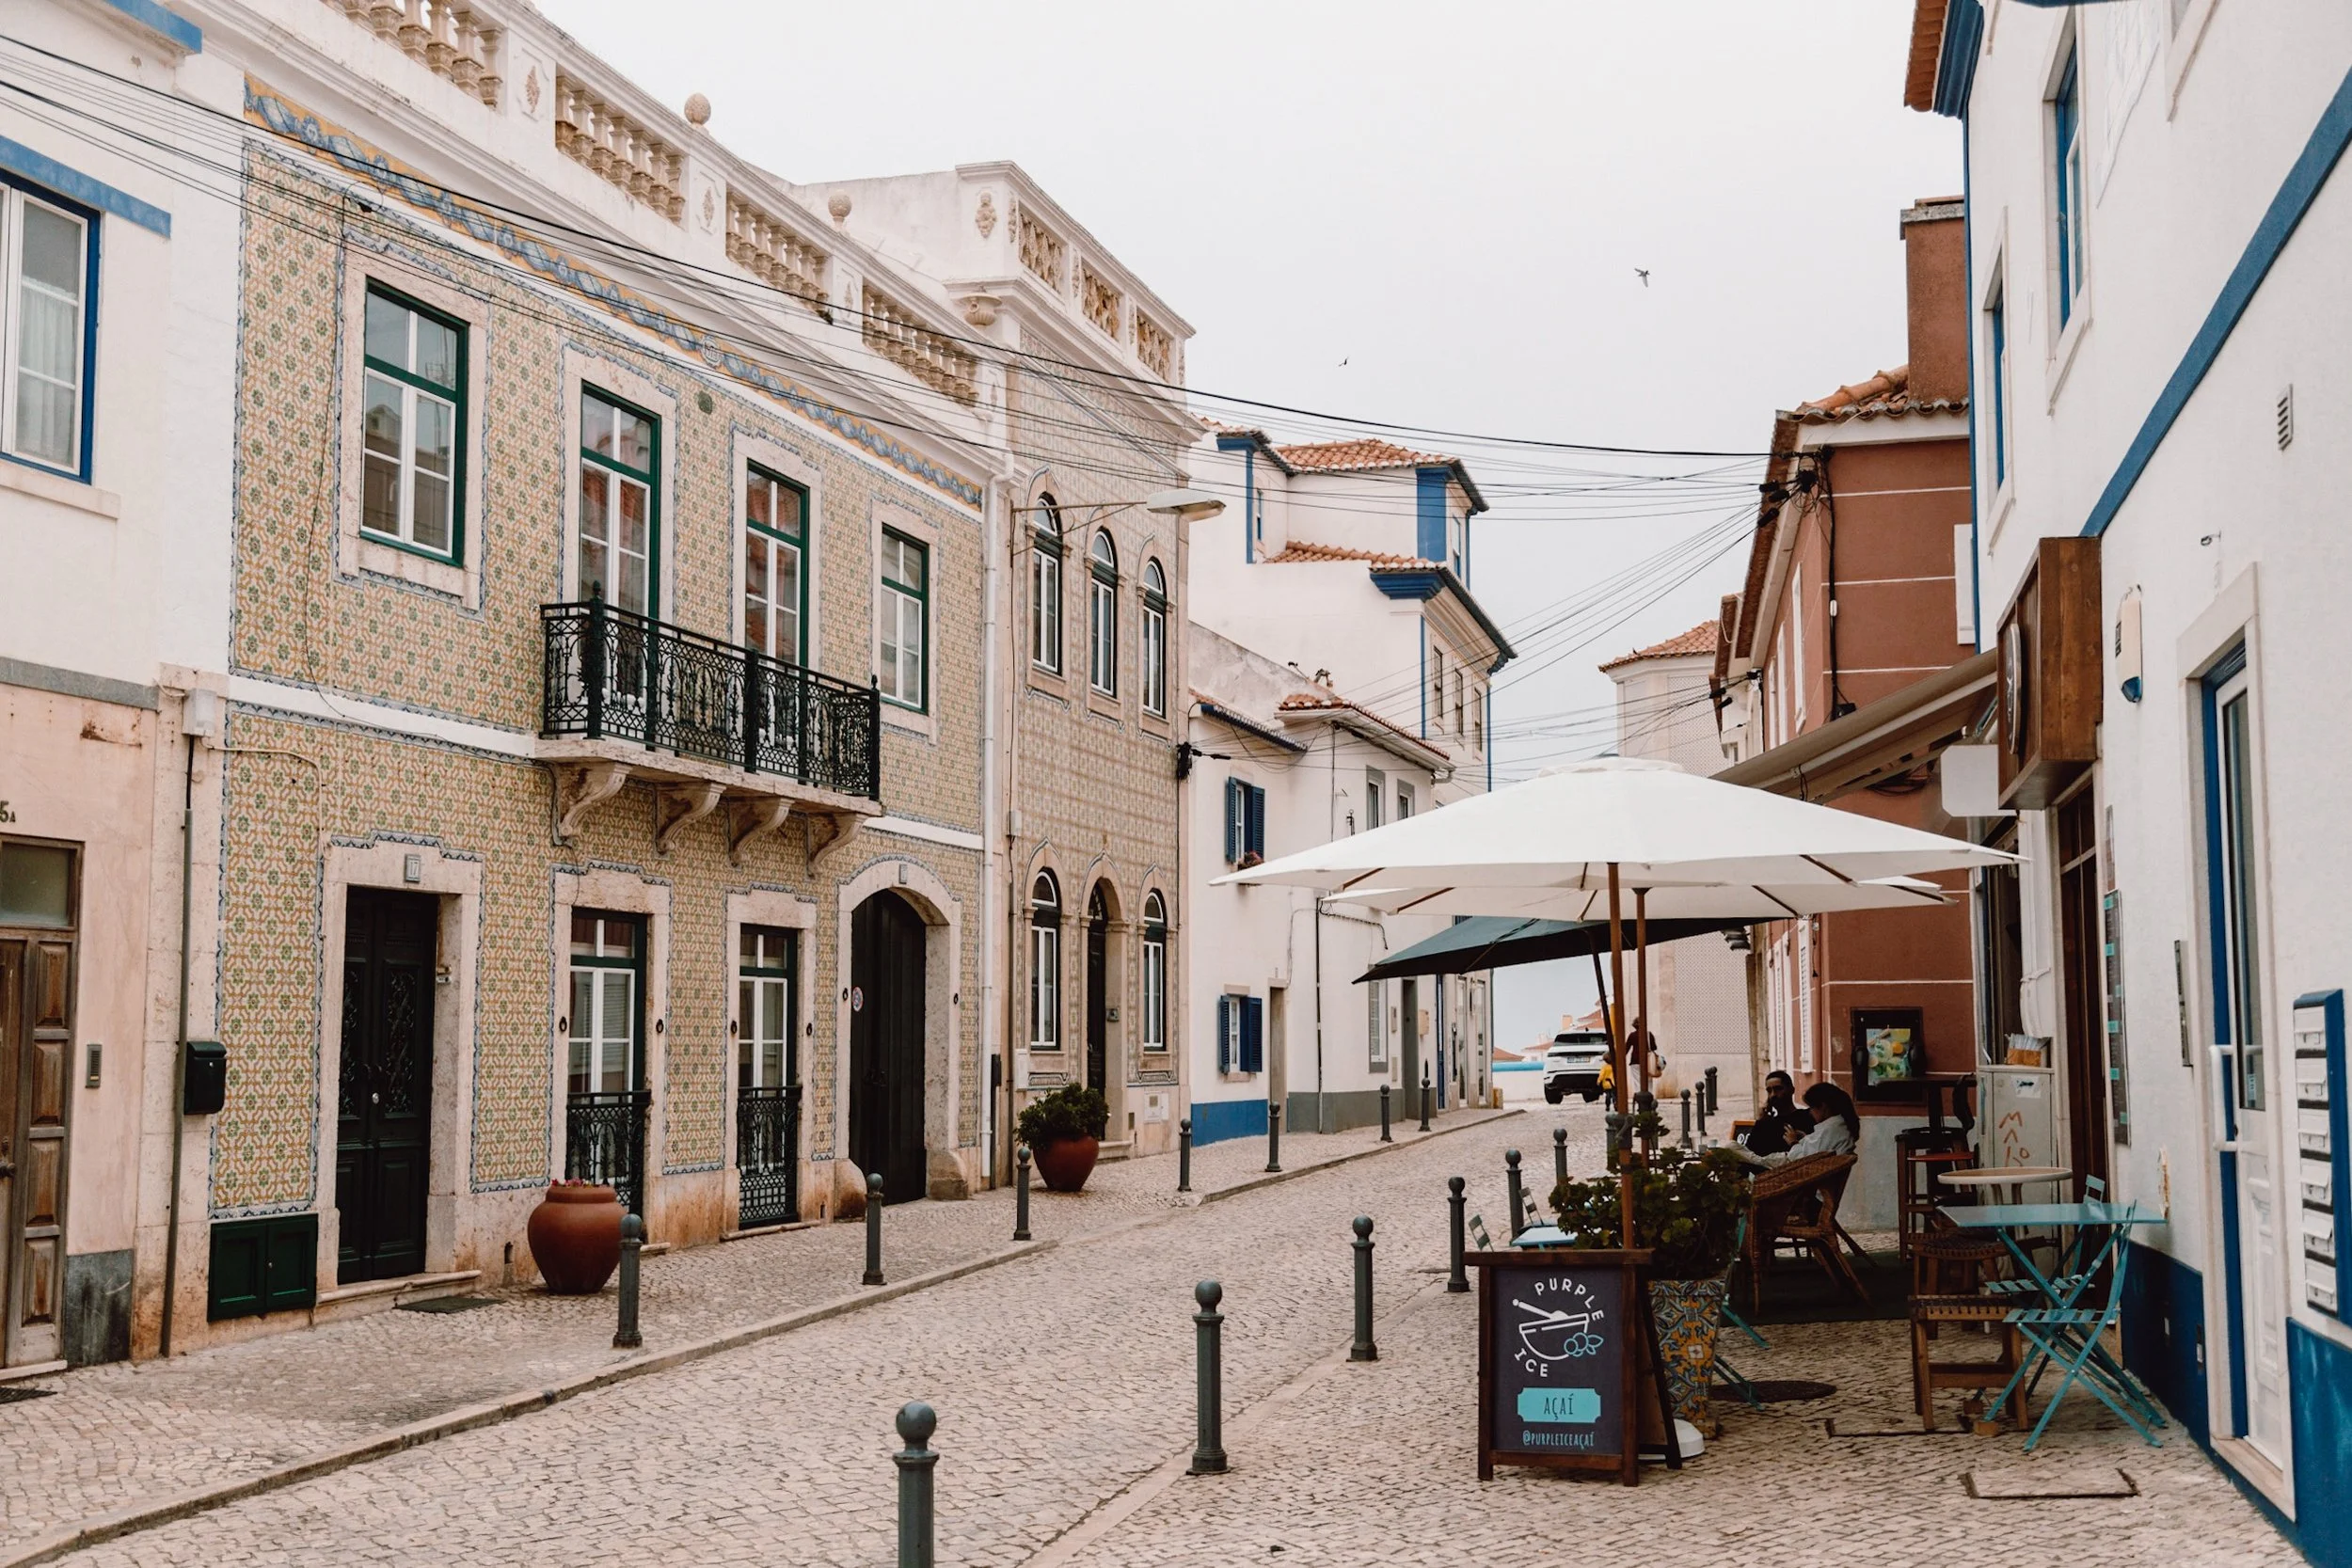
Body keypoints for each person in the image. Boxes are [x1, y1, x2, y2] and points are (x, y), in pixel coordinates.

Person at [1736, 1083, 1861, 1167]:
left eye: (1812, 1108)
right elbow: (1816, 1151)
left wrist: (1793, 1143)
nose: (1811, 1113)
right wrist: (1805, 1139)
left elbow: (1803, 1160)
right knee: (1739, 1152)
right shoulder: (1837, 1127)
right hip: (1789, 1165)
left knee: (1734, 1150)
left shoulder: (1832, 1129)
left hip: (1794, 1174)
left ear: (1823, 1107)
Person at [1744, 1070, 1812, 1157]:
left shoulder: (1806, 1117)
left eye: (1778, 1089)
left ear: (1791, 1090)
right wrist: (1760, 1121)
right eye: (1769, 1091)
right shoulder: (1767, 1124)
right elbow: (1751, 1154)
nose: (1773, 1095)